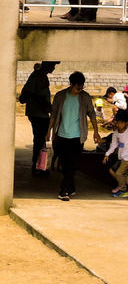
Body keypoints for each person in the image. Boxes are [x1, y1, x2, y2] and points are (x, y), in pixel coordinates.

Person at [47, 71, 100, 201]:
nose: (79, 90)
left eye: (82, 87)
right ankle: (70, 187)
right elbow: (53, 115)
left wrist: (96, 131)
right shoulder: (60, 96)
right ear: (71, 84)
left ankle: (64, 191)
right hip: (61, 135)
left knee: (72, 164)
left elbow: (92, 114)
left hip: (78, 136)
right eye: (77, 87)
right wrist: (49, 131)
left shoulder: (85, 97)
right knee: (65, 164)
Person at [19, 61, 58, 175]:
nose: (54, 68)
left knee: (40, 141)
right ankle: (37, 167)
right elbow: (30, 95)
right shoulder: (38, 76)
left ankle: (39, 166)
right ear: (47, 66)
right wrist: (47, 107)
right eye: (53, 66)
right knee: (39, 141)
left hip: (39, 113)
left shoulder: (39, 76)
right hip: (38, 114)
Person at [104, 110, 128, 197]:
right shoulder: (116, 134)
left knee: (119, 173)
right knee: (121, 173)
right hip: (122, 158)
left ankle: (123, 189)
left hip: (127, 159)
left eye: (121, 123)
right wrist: (107, 154)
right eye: (117, 123)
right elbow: (113, 145)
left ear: (126, 123)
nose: (118, 125)